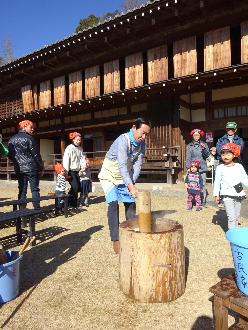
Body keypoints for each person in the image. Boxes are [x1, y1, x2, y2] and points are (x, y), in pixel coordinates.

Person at [98, 117, 151, 254]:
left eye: (147, 134)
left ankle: (132, 231)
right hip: (110, 174)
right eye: (142, 133)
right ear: (134, 127)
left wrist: (132, 182)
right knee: (113, 203)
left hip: (125, 175)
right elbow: (121, 164)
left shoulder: (141, 143)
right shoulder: (123, 140)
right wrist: (130, 186)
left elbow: (138, 163)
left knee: (130, 203)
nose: (144, 137)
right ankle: (116, 239)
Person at [8, 120, 43, 209]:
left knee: (22, 190)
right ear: (24, 126)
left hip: (19, 168)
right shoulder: (30, 138)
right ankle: (37, 209)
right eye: (31, 127)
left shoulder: (12, 139)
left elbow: (10, 155)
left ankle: (22, 210)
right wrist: (41, 167)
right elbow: (36, 155)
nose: (32, 129)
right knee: (34, 189)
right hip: (31, 167)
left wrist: (17, 162)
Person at [213, 143, 248, 229]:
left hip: (238, 193)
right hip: (227, 194)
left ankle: (235, 233)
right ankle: (232, 235)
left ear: (234, 155)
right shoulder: (220, 167)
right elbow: (217, 181)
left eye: (228, 154)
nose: (225, 156)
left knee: (236, 216)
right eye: (223, 154)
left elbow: (244, 178)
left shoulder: (239, 166)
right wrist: (216, 194)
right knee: (231, 217)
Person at [185, 128, 210, 206]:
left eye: (198, 135)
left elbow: (207, 155)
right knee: (192, 184)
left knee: (202, 184)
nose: (196, 136)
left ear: (200, 136)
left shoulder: (204, 144)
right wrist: (188, 167)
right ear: (193, 136)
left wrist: (204, 149)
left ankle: (203, 201)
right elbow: (188, 157)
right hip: (193, 168)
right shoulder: (189, 146)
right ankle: (193, 200)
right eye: (195, 135)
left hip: (202, 167)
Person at [63, 132, 84, 207]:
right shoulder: (69, 148)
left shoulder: (80, 149)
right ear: (73, 140)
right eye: (77, 140)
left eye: (80, 140)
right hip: (71, 171)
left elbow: (82, 159)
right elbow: (66, 160)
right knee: (75, 186)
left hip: (78, 171)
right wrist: (66, 171)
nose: (79, 141)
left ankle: (73, 203)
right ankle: (68, 201)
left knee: (77, 187)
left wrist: (83, 167)